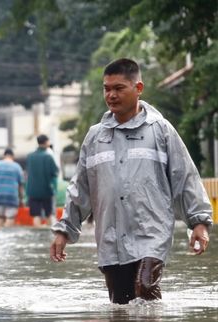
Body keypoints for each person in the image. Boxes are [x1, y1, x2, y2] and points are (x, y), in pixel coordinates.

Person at [50, 58, 213, 304]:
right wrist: (64, 231)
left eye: (118, 88)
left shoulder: (161, 130)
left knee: (145, 287)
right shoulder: (95, 137)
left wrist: (199, 222)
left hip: (151, 233)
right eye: (107, 89)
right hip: (111, 238)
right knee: (120, 305)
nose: (111, 95)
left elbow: (184, 176)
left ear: (138, 89)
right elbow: (80, 189)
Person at [26, 134, 59, 227]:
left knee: (36, 215)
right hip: (46, 190)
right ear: (46, 142)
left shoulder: (30, 156)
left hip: (32, 190)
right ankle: (48, 235)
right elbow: (55, 172)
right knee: (49, 214)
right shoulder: (48, 156)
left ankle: (36, 235)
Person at [0, 148, 24, 227]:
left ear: (4, 155)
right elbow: (21, 184)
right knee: (10, 217)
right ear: (13, 156)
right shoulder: (17, 167)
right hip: (12, 195)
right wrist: (21, 198)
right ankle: (8, 235)